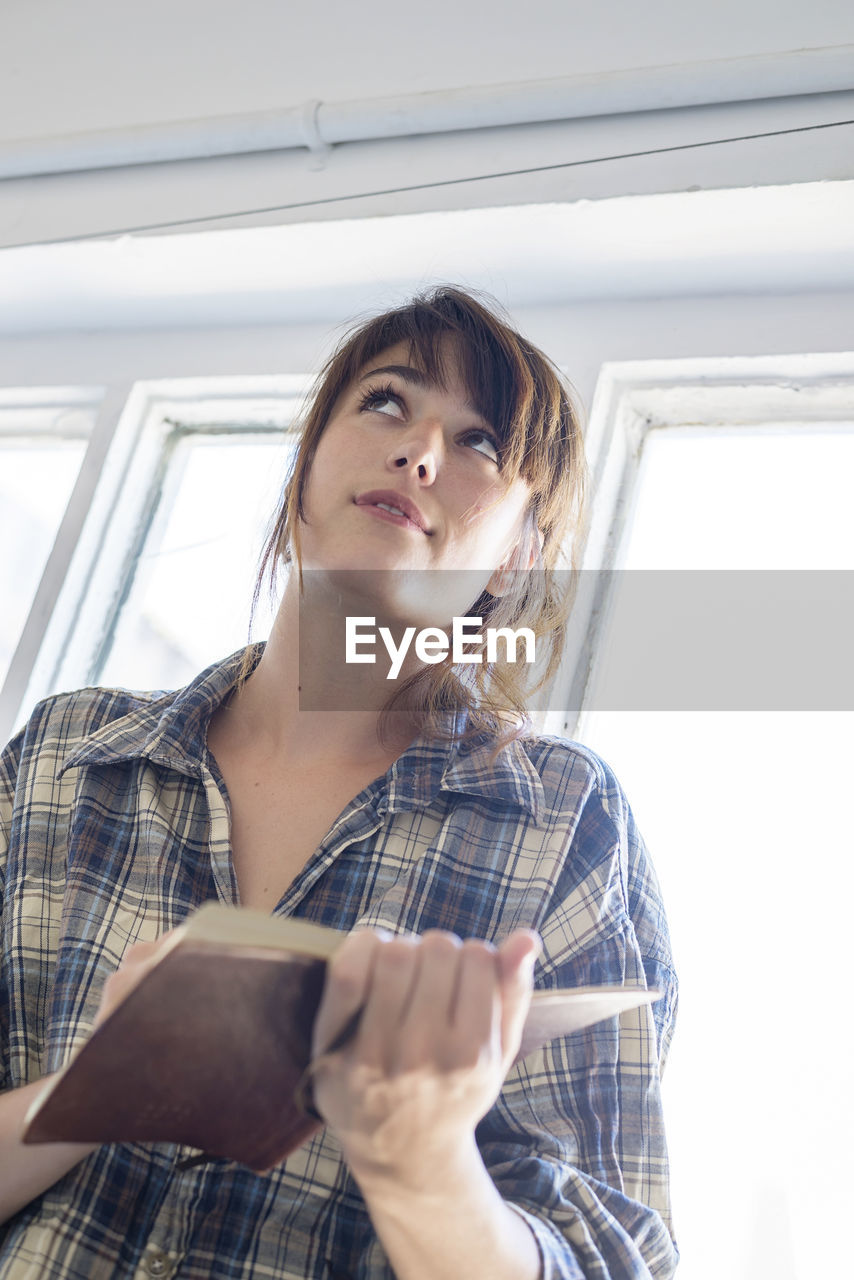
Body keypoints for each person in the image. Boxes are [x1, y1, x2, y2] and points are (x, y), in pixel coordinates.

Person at [0, 287, 678, 1279]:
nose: (420, 452)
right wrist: (102, 1092)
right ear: (303, 466)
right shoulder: (66, 753)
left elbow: (615, 1262)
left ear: (517, 558)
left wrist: (422, 1166)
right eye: (385, 402)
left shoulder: (563, 823)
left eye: (479, 440)